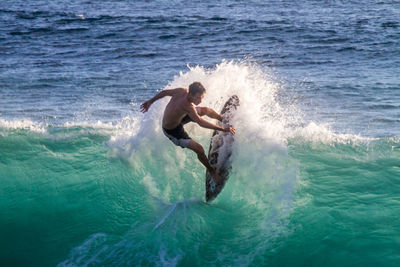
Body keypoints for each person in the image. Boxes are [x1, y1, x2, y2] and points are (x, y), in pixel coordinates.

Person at [140, 82, 235, 185]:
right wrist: (222, 129)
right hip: (172, 131)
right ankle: (212, 172)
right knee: (199, 149)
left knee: (206, 110)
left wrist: (150, 101)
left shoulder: (181, 92)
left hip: (180, 118)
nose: (200, 100)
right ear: (191, 94)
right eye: (198, 98)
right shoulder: (188, 106)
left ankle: (223, 119)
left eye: (202, 97)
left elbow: (164, 92)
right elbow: (200, 122)